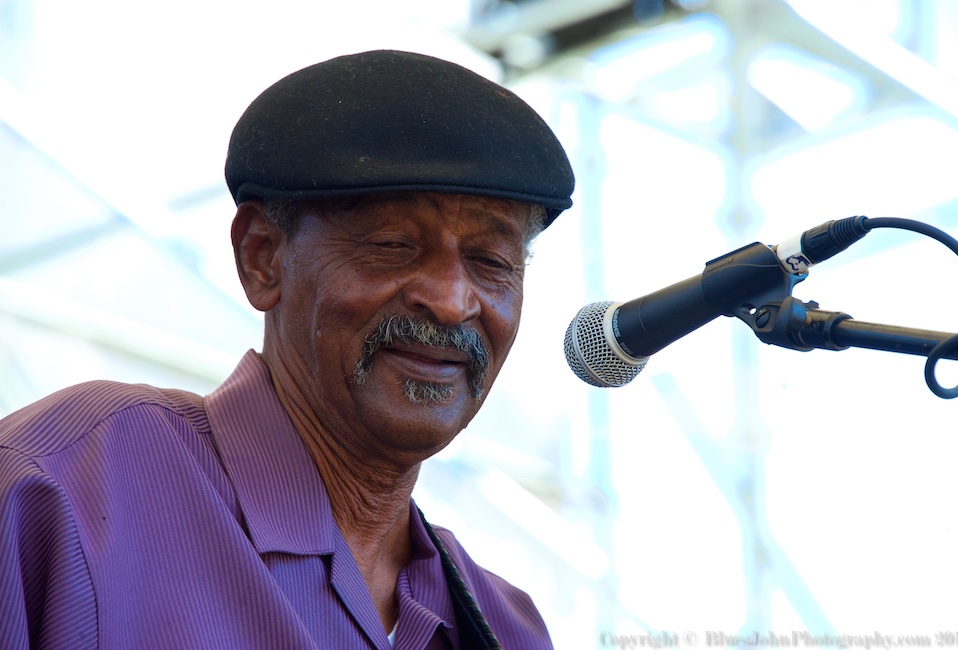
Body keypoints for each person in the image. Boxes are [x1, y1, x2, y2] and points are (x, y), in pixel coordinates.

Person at [0, 49, 574, 649]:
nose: (453, 301)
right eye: (393, 244)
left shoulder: (503, 625)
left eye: (491, 261)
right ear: (262, 257)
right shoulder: (70, 487)